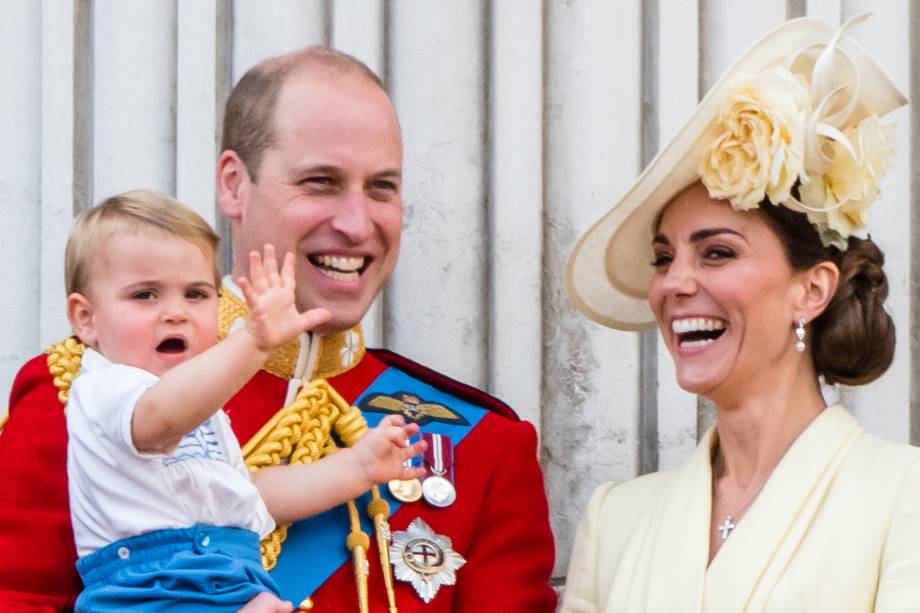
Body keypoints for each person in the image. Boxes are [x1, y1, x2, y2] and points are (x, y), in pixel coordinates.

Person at [0, 47, 556, 611]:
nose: (357, 223)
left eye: (382, 187)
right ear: (234, 184)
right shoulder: (81, 391)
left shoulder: (484, 446)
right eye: (320, 182)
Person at [561, 17, 919, 613]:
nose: (674, 284)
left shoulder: (905, 495)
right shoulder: (615, 519)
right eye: (663, 258)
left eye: (718, 252)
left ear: (812, 290)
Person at [63, 191, 425, 611]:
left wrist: (356, 468)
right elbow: (159, 418)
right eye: (145, 295)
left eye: (196, 294)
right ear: (86, 319)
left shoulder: (205, 409)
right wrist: (253, 342)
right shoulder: (106, 387)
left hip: (228, 576)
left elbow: (252, 494)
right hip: (151, 587)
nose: (176, 312)